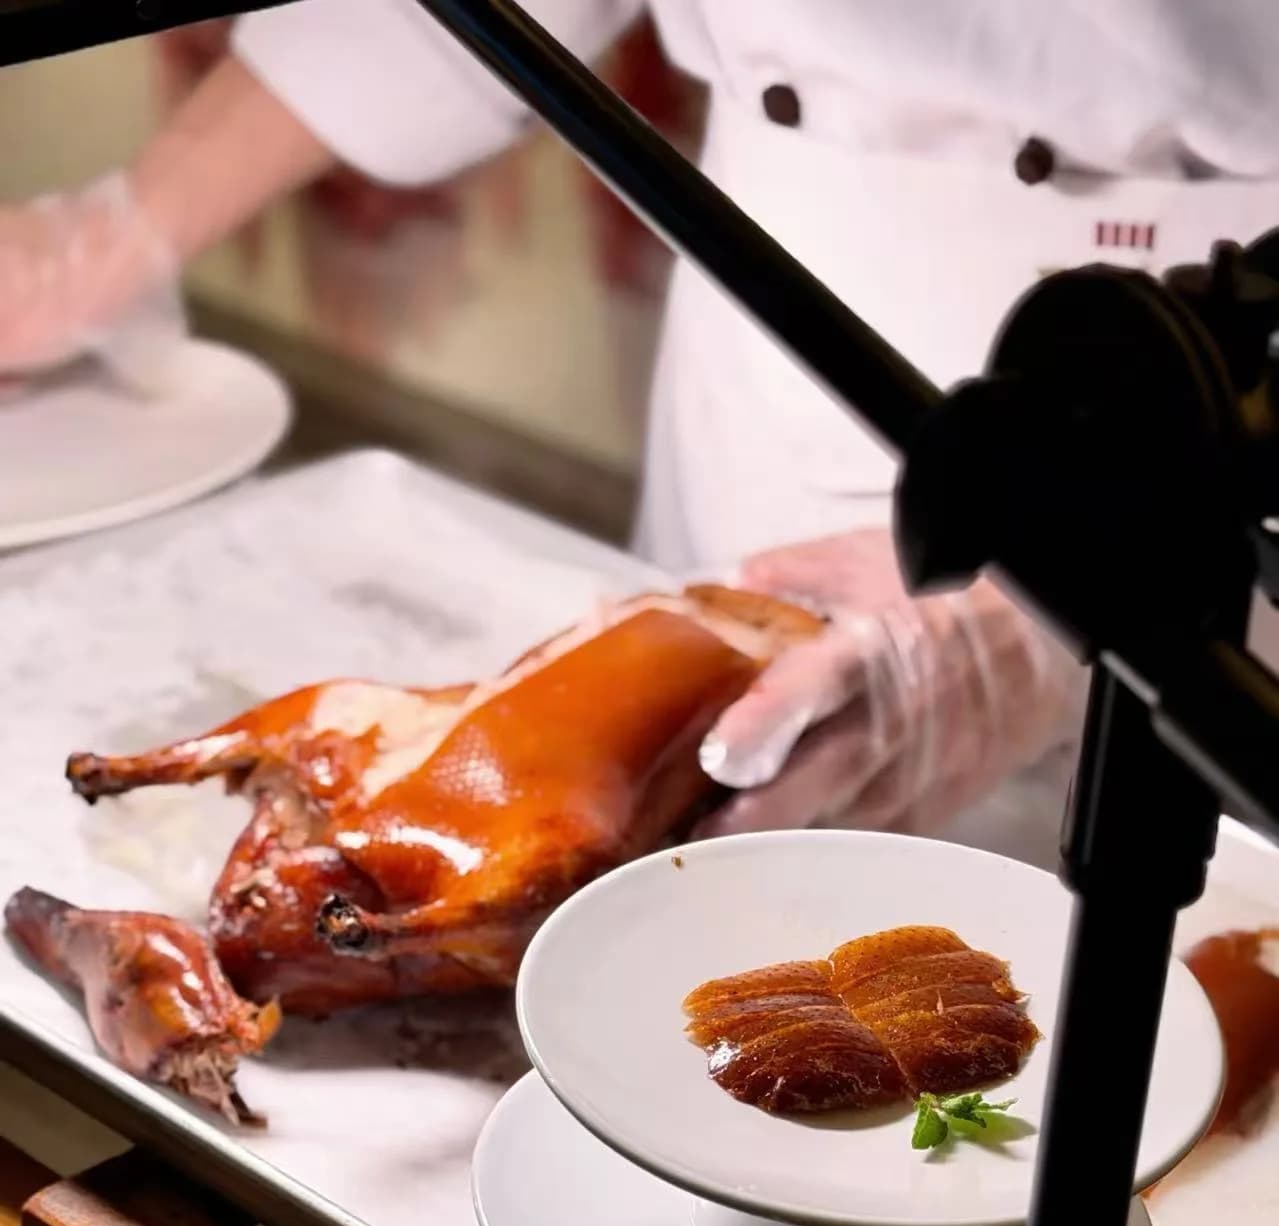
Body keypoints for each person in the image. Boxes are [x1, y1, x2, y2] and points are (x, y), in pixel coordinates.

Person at [6, 1, 1276, 853]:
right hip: (773, 344)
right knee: (687, 894)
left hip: (1208, 384)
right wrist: (114, 233)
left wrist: (1046, 618)